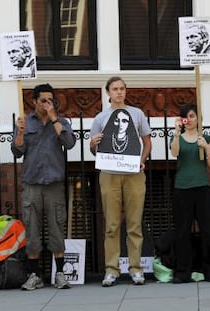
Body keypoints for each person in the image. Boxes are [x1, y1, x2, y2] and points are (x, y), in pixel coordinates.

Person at [11, 83, 76, 290]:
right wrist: (20, 133)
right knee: (32, 230)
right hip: (32, 183)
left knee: (57, 228)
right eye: (43, 100)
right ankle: (34, 274)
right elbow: (17, 151)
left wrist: (54, 118)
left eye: (50, 100)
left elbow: (70, 143)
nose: (47, 104)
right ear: (34, 102)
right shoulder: (25, 122)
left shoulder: (61, 121)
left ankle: (60, 273)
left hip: (54, 183)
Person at [89, 76, 152, 287]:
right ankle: (111, 269)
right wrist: (93, 144)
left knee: (134, 223)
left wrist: (142, 161)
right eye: (115, 89)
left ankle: (136, 268)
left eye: (122, 88)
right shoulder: (100, 118)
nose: (119, 92)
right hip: (109, 172)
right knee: (112, 224)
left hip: (133, 173)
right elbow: (94, 150)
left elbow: (147, 141)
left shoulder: (137, 114)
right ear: (108, 92)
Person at [170, 103, 210, 283]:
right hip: (182, 189)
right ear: (182, 120)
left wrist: (206, 147)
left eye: (193, 116)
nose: (189, 120)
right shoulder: (178, 137)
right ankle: (183, 271)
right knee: (183, 231)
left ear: (198, 118)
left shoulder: (206, 137)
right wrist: (176, 133)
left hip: (202, 189)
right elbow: (174, 152)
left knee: (207, 230)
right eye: (186, 117)